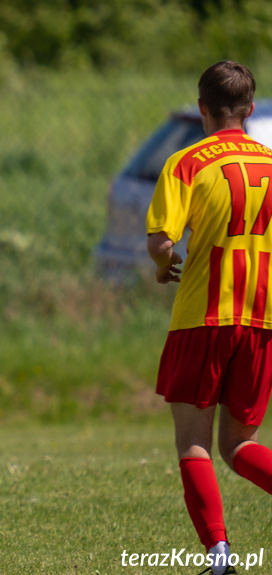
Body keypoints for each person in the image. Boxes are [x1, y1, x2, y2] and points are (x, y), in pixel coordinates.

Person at [147, 60, 272, 575]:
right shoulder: (271, 162)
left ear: (202, 109)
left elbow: (161, 242)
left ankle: (219, 556)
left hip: (203, 316)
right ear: (249, 109)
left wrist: (163, 265)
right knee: (240, 444)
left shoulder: (186, 162)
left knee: (194, 441)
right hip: (262, 321)